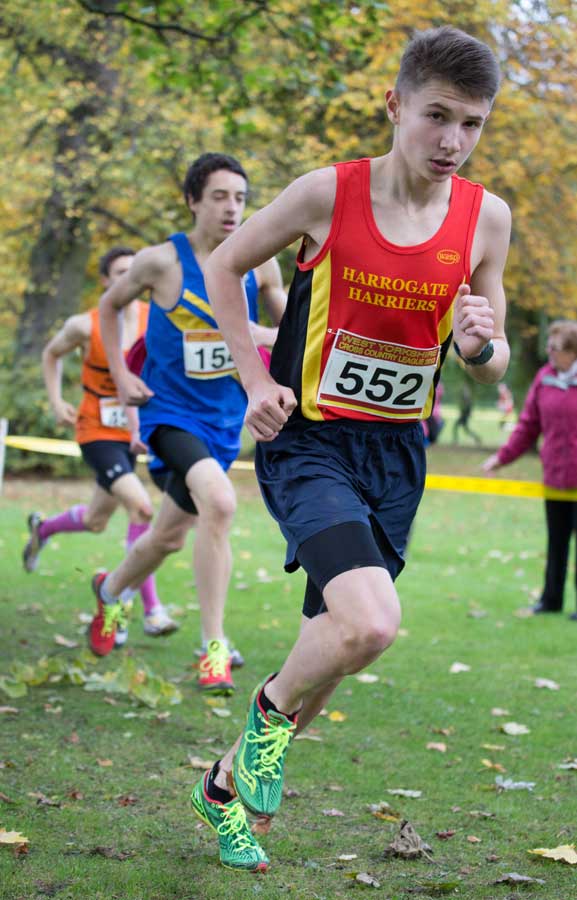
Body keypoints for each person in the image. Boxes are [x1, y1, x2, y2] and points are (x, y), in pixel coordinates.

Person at [187, 26, 512, 872]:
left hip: (398, 455)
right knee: (371, 624)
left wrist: (481, 342)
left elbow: (488, 356)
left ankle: (221, 788)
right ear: (395, 104)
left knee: (331, 656)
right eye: (436, 116)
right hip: (308, 442)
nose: (451, 141)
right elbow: (224, 267)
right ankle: (261, 718)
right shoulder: (327, 193)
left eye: (471, 124)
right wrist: (255, 381)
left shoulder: (486, 219)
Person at [92, 153, 286, 695]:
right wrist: (119, 378)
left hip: (225, 423)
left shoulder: (260, 261)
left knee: (167, 537)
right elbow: (109, 308)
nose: (232, 208)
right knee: (220, 504)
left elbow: (289, 323)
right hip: (169, 415)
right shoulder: (159, 262)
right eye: (220, 196)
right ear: (193, 200)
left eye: (240, 198)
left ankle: (110, 592)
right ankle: (213, 645)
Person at [22, 246, 176, 643]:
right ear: (107, 281)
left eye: (135, 272)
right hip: (96, 430)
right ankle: (143, 609)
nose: (132, 279)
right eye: (122, 272)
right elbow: (50, 354)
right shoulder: (84, 325)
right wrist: (57, 402)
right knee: (141, 508)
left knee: (96, 520)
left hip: (134, 431)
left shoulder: (153, 317)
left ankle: (43, 529)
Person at [483, 319, 577, 617]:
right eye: (548, 346)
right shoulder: (545, 378)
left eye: (556, 347)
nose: (548, 351)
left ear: (573, 352)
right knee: (556, 541)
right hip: (555, 477)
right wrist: (502, 458)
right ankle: (551, 601)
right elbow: (528, 425)